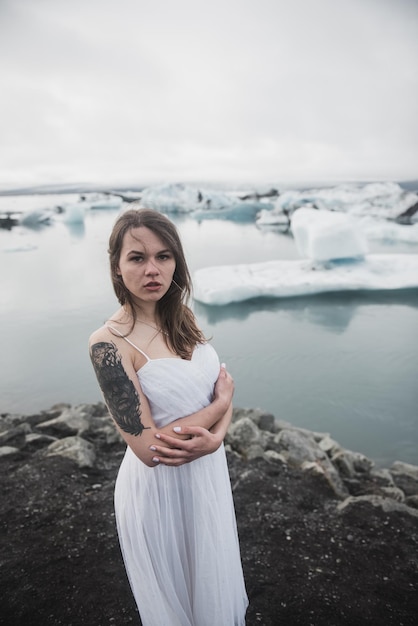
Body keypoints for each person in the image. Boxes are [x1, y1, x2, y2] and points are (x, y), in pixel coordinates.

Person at [89, 207, 248, 626]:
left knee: (210, 589)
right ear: (117, 267)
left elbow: (221, 389)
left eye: (164, 256)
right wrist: (215, 414)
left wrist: (218, 438)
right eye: (137, 258)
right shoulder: (107, 343)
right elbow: (150, 447)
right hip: (157, 492)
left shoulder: (182, 317)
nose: (153, 269)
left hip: (206, 476)